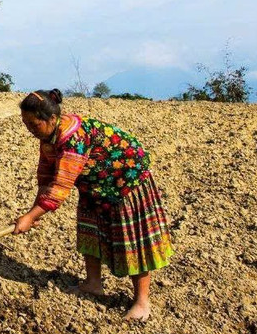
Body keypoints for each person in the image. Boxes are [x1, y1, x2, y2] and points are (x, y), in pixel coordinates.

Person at [13, 88, 173, 321]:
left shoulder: (72, 139)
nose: (30, 130)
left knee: (132, 240)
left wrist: (31, 216)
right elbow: (46, 178)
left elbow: (59, 189)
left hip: (124, 181)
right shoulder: (48, 137)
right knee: (90, 230)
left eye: (34, 125)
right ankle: (93, 284)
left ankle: (141, 302)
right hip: (95, 183)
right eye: (26, 125)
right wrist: (33, 214)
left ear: (52, 119)